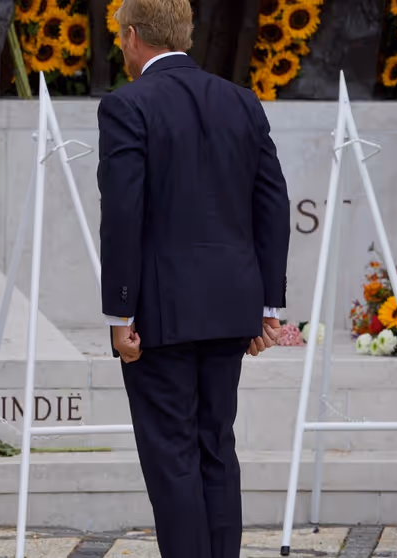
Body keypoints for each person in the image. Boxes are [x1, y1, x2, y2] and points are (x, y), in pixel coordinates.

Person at [97, 1, 290, 557]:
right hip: (231, 309)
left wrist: (120, 314)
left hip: (159, 315)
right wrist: (266, 306)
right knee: (215, 449)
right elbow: (272, 206)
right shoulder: (242, 101)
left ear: (132, 36)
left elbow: (124, 214)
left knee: (173, 459)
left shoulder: (126, 104)